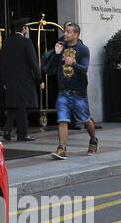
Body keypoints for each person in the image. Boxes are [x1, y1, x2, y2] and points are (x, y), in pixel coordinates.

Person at [42, 22, 97, 159]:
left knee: (86, 120)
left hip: (78, 93)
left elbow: (84, 69)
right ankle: (62, 148)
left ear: (76, 34)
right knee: (62, 120)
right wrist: (56, 54)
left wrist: (73, 63)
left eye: (68, 32)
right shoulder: (61, 47)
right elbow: (51, 69)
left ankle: (93, 140)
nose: (65, 34)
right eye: (65, 31)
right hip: (63, 92)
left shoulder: (83, 49)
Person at [0, 19, 41, 141]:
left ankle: (7, 130)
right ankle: (22, 133)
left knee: (13, 105)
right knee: (22, 105)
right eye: (27, 27)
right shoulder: (26, 42)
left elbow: (2, 63)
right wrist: (39, 78)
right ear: (24, 28)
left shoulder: (6, 42)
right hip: (24, 79)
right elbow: (33, 62)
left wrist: (3, 80)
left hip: (10, 79)